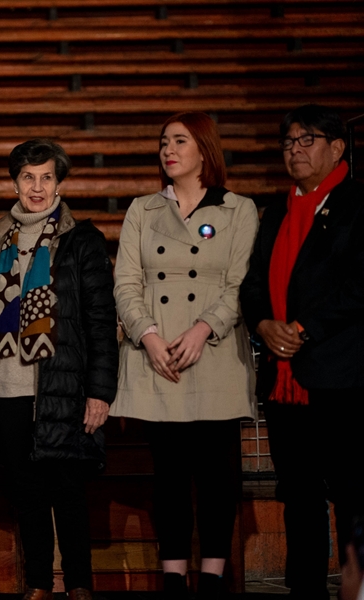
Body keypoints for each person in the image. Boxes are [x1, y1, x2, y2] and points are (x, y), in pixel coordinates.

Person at [111, 113, 258, 600]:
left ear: (205, 150)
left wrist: (205, 328)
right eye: (163, 142)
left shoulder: (239, 209)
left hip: (214, 354)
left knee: (218, 475)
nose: (167, 150)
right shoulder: (143, 209)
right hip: (158, 356)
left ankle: (212, 577)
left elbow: (240, 283)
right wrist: (148, 336)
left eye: (179, 141)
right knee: (169, 476)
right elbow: (127, 282)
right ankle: (173, 576)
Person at [0, 140, 117, 600]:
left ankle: (78, 583)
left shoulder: (82, 239)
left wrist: (100, 392)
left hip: (61, 383)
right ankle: (38, 582)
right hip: (5, 382)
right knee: (26, 490)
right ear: (14, 182)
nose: (37, 187)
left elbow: (99, 319)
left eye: (46, 177)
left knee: (67, 488)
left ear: (59, 182)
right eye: (28, 178)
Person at [240, 104, 364, 600]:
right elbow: (252, 285)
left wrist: (303, 329)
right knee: (299, 497)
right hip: (284, 378)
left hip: (341, 374)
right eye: (289, 142)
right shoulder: (275, 211)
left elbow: (358, 286)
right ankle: (305, 590)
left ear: (336, 147)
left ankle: (356, 589)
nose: (295, 149)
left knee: (354, 494)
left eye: (306, 139)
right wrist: (264, 324)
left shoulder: (358, 204)